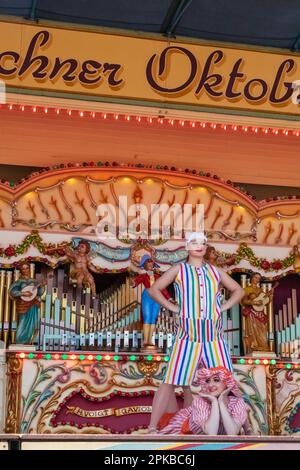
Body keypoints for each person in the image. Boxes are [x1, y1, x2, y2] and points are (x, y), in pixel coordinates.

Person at [147, 232, 244, 433]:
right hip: (187, 339)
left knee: (225, 384)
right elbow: (154, 289)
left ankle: (230, 429)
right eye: (194, 242)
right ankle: (152, 428)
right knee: (170, 381)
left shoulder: (216, 272)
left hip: (213, 339)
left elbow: (239, 290)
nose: (199, 246)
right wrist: (173, 308)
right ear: (187, 246)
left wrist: (224, 307)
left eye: (203, 243)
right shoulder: (179, 269)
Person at [158, 366, 251, 435]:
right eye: (207, 381)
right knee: (167, 417)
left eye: (216, 380)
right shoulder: (200, 402)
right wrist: (214, 402)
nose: (210, 385)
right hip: (184, 433)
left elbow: (232, 434)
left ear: (227, 383)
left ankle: (184, 385)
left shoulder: (237, 403)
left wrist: (221, 402)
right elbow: (211, 433)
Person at [131, 254, 173, 347]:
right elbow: (135, 282)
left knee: (153, 318)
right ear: (144, 265)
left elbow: (163, 289)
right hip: (147, 294)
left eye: (151, 261)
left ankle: (150, 340)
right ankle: (146, 340)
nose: (150, 263)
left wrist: (169, 298)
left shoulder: (158, 277)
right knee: (147, 317)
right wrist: (133, 282)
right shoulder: (143, 276)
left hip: (157, 295)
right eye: (147, 261)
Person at [9, 262, 46, 344]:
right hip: (23, 305)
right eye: (23, 269)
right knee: (23, 322)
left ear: (29, 269)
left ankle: (29, 341)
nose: (25, 270)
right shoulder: (19, 282)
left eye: (27, 268)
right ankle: (19, 341)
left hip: (33, 305)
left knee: (32, 323)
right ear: (21, 270)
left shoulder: (34, 281)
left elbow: (39, 293)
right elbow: (12, 291)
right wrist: (23, 293)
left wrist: (42, 286)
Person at [241, 272, 272, 353]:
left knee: (263, 330)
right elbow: (244, 301)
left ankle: (263, 346)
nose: (257, 279)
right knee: (253, 329)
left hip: (260, 314)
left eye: (259, 278)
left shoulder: (260, 290)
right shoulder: (246, 289)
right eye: (255, 277)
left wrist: (270, 297)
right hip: (251, 313)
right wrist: (254, 303)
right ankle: (254, 346)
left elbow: (265, 302)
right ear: (252, 278)